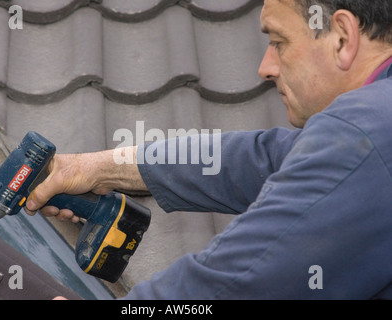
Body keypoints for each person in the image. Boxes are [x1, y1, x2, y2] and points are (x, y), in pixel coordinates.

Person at [24, 0, 392, 299]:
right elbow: (255, 161)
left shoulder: (367, 133)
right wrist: (96, 168)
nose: (265, 67)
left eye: (279, 43)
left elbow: (238, 280)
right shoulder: (374, 126)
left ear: (343, 38)